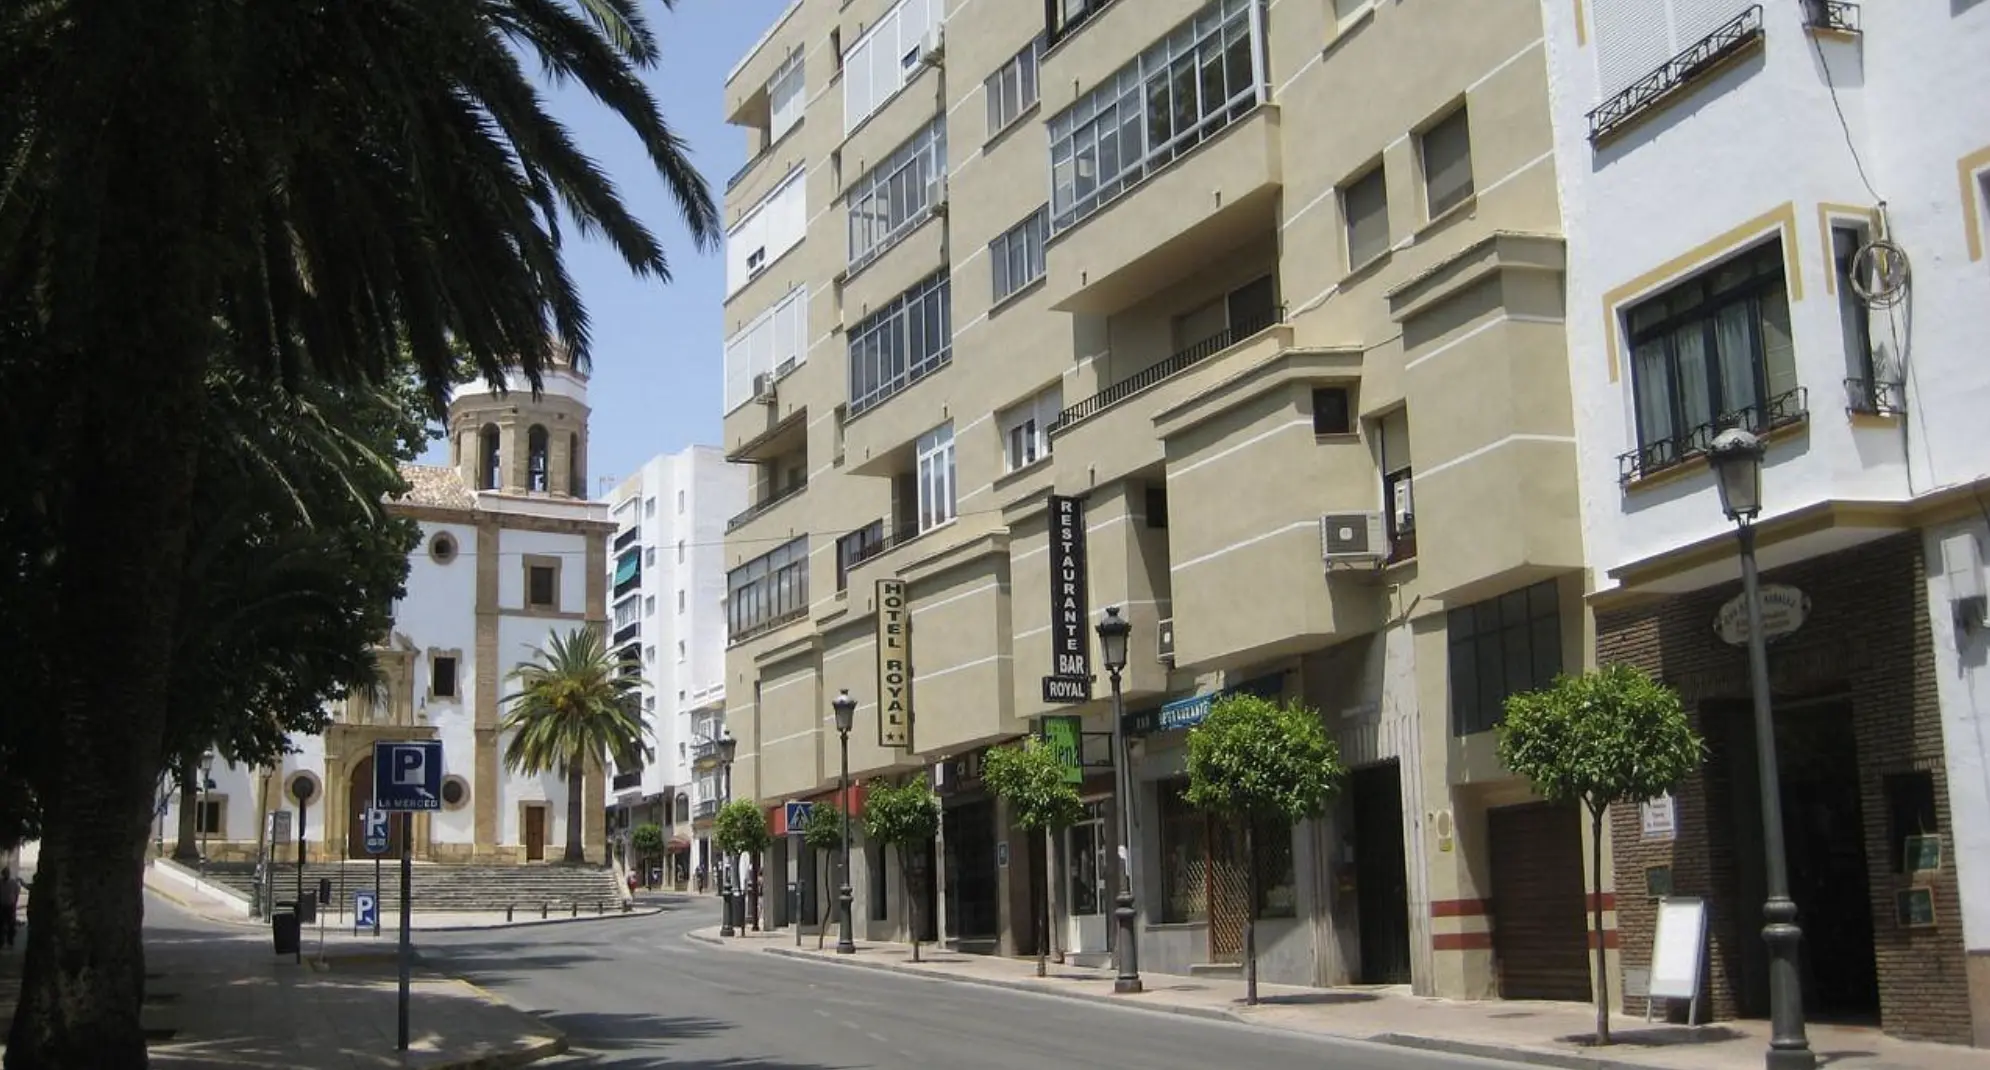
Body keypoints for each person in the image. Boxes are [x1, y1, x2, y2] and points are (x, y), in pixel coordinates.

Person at [1, 866, 25, 950]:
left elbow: (17, 892)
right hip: (2, 906)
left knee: (11, 924)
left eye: (7, 873)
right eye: (4, 873)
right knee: (2, 924)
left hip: (10, 906)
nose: (6, 875)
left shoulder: (13, 883)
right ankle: (2, 942)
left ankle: (10, 942)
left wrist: (15, 901)